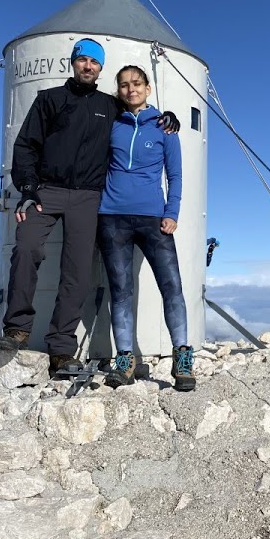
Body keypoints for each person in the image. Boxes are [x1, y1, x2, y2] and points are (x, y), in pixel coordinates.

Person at [0, 39, 178, 376]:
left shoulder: (110, 106)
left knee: (76, 271)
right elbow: (26, 146)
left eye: (95, 62)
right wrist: (29, 189)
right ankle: (17, 329)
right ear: (74, 63)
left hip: (90, 196)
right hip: (46, 191)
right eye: (83, 60)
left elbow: (139, 116)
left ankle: (62, 350)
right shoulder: (49, 100)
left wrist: (168, 116)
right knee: (26, 248)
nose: (88, 66)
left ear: (100, 69)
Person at [97, 64, 195, 391]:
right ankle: (125, 360)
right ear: (118, 91)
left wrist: (173, 211)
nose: (130, 89)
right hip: (112, 217)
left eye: (136, 83)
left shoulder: (165, 129)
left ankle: (182, 358)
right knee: (121, 292)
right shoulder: (112, 124)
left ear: (148, 88)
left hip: (154, 219)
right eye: (124, 85)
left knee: (172, 287)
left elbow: (176, 175)